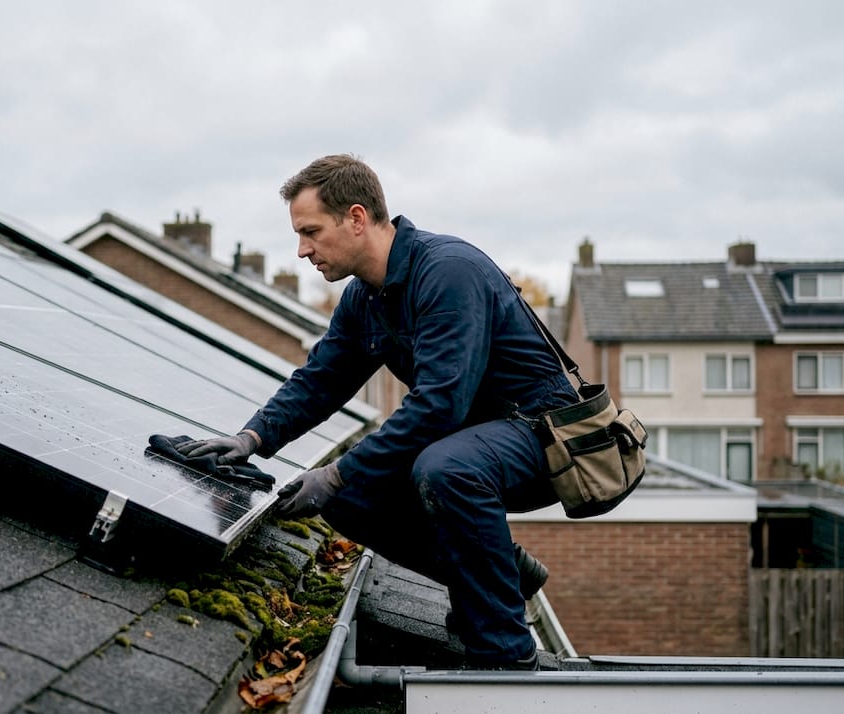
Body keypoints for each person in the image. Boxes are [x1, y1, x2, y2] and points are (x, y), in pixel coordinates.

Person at [177, 154, 577, 670]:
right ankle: (501, 572)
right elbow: (320, 380)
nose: (302, 250)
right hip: (474, 441)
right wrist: (251, 438)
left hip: (548, 435)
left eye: (311, 232)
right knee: (348, 499)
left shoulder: (447, 273)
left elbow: (438, 406)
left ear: (357, 218)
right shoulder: (364, 299)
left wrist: (338, 471)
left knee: (435, 467)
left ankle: (504, 656)